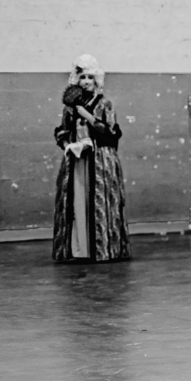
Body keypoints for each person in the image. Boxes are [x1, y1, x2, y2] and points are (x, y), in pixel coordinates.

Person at [52, 54, 130, 262]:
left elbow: (111, 132)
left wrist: (87, 115)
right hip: (77, 161)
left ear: (97, 80)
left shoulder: (105, 104)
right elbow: (62, 131)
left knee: (99, 201)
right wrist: (68, 146)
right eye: (82, 77)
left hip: (100, 160)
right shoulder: (69, 107)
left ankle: (103, 248)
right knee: (76, 202)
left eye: (90, 77)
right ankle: (78, 249)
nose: (86, 81)